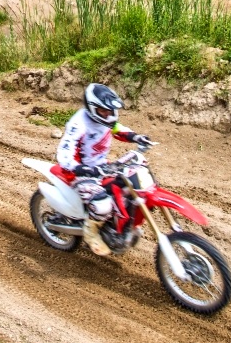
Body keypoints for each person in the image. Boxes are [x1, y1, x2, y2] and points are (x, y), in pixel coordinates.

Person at [56, 83, 156, 255]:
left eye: (110, 110)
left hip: (102, 167)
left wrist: (136, 137)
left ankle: (121, 226)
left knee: (131, 186)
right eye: (103, 110)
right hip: (79, 173)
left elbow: (118, 129)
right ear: (92, 108)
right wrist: (84, 170)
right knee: (102, 205)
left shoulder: (105, 120)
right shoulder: (78, 125)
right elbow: (64, 155)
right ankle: (91, 232)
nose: (108, 114)